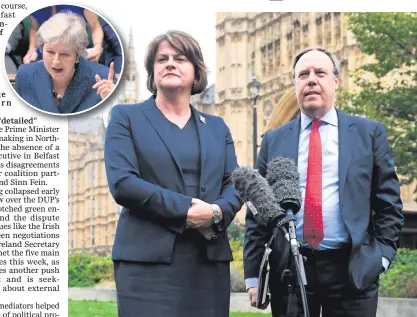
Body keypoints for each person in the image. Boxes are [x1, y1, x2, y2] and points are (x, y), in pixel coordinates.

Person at [244, 46, 404, 317]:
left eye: (320, 72)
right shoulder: (274, 140)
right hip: (291, 272)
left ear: (336, 81)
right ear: (295, 83)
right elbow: (258, 211)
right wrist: (253, 275)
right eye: (303, 74)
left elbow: (389, 205)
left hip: (351, 271)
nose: (311, 80)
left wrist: (381, 259)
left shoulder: (369, 134)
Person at [104, 30, 242, 317]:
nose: (170, 64)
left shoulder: (217, 127)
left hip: (208, 262)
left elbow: (235, 184)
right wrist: (188, 211)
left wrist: (216, 212)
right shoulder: (126, 118)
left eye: (180, 58)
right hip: (146, 263)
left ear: (195, 72)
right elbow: (123, 183)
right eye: (161, 59)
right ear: (152, 74)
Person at [14, 11, 116, 114]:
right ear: (41, 49)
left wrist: (112, 102)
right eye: (50, 52)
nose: (56, 61)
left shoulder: (104, 79)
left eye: (64, 54)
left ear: (77, 55)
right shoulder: (25, 74)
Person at [23, 5, 104, 64]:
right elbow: (35, 28)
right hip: (45, 56)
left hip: (75, 53)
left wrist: (98, 46)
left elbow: (95, 27)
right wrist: (31, 50)